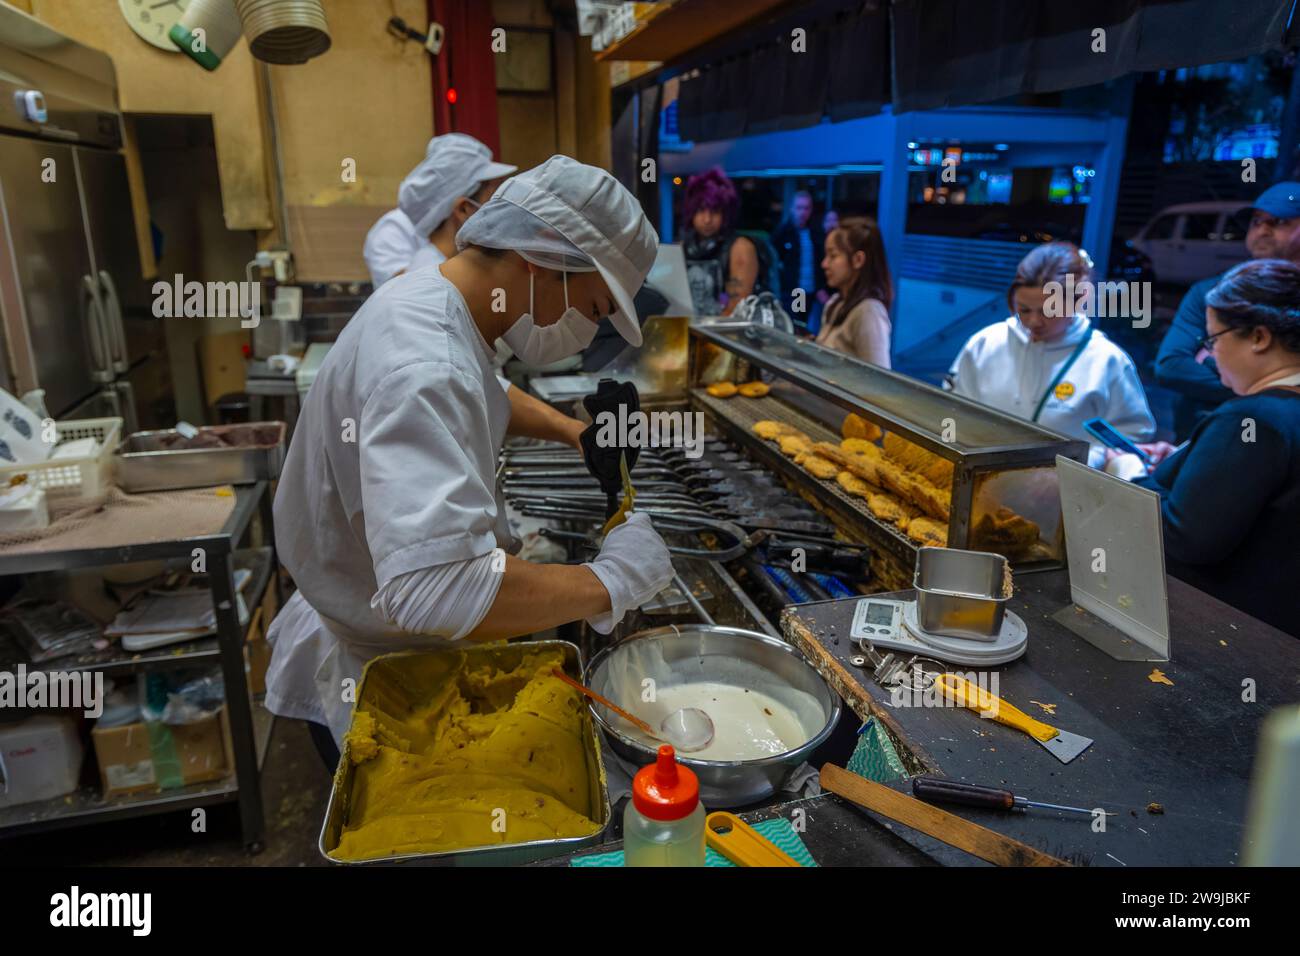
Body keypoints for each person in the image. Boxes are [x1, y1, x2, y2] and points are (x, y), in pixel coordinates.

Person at [266, 156, 676, 757]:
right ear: (545, 260)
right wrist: (609, 580)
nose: (587, 335)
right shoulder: (426, 360)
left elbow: (487, 392)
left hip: (390, 643)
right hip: (385, 681)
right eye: (593, 310)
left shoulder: (436, 299)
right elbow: (438, 590)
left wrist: (574, 433)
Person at [1108, 260, 1300, 638]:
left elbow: (1184, 538)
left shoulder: (1256, 418)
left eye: (1213, 340)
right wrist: (1185, 461)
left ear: (1259, 337)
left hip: (1228, 635)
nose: (1209, 356)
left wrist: (1128, 474)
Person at [947, 242, 1155, 467]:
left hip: (1068, 493)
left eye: (1049, 310)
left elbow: (1132, 438)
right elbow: (953, 411)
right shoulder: (985, 344)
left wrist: (1084, 462)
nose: (1034, 322)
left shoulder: (1106, 360)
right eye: (1024, 310)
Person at [1154, 182, 1300, 439]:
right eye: (1256, 221)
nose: (1262, 230)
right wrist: (1272, 389)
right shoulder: (1212, 291)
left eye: (1278, 222)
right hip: (1198, 432)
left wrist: (1213, 365)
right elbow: (1172, 366)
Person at [362, 133, 516, 287]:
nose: (498, 206)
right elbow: (397, 287)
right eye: (491, 197)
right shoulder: (394, 229)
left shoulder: (446, 267)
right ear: (463, 209)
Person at [681, 167, 762, 316]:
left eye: (715, 211)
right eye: (700, 210)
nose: (707, 219)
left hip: (723, 334)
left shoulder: (740, 248)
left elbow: (737, 309)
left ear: (726, 213)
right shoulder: (684, 246)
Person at [814, 216, 893, 368]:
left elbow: (878, 381)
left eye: (833, 255)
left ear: (858, 260)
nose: (824, 264)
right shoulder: (835, 302)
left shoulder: (869, 312)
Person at [772, 190, 826, 323]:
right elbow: (774, 261)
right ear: (792, 209)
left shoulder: (815, 233)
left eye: (806, 208)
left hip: (812, 290)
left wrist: (820, 287)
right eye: (799, 207)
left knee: (808, 323)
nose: (803, 212)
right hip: (796, 291)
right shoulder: (783, 233)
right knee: (797, 323)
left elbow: (819, 261)